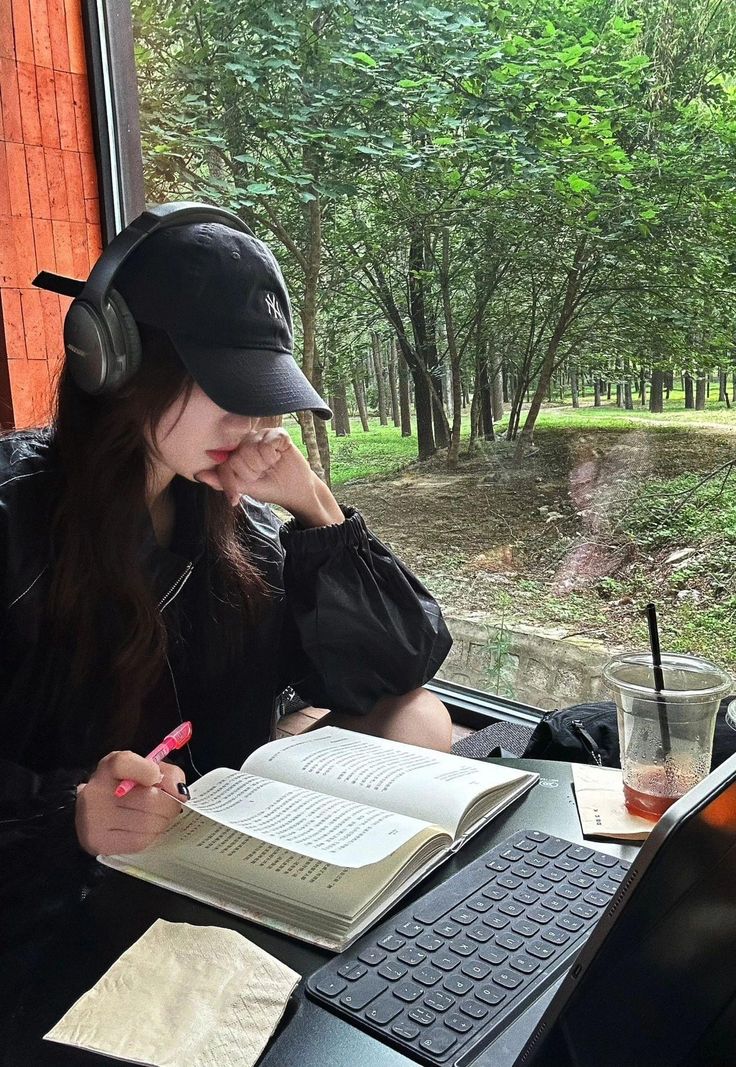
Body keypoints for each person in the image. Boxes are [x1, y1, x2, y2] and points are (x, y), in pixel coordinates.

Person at [0, 203, 452, 940]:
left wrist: (315, 509)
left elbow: (395, 668)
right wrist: (70, 810)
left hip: (226, 859)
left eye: (263, 393)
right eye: (228, 386)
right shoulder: (13, 524)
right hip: (71, 886)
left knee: (419, 716)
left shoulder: (234, 523)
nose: (253, 423)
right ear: (112, 357)